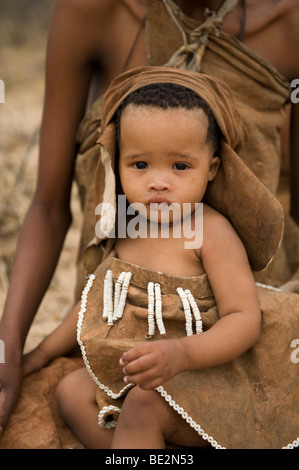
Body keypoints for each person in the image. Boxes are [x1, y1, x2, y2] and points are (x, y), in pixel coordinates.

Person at [1, 0, 299, 441]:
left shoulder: (212, 231)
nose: (159, 183)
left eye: (180, 167)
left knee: (144, 405)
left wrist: (181, 354)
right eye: (139, 165)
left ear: (213, 169)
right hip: (129, 357)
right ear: (116, 166)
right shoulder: (124, 224)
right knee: (69, 390)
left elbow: (243, 318)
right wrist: (28, 355)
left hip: (206, 359)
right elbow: (93, 298)